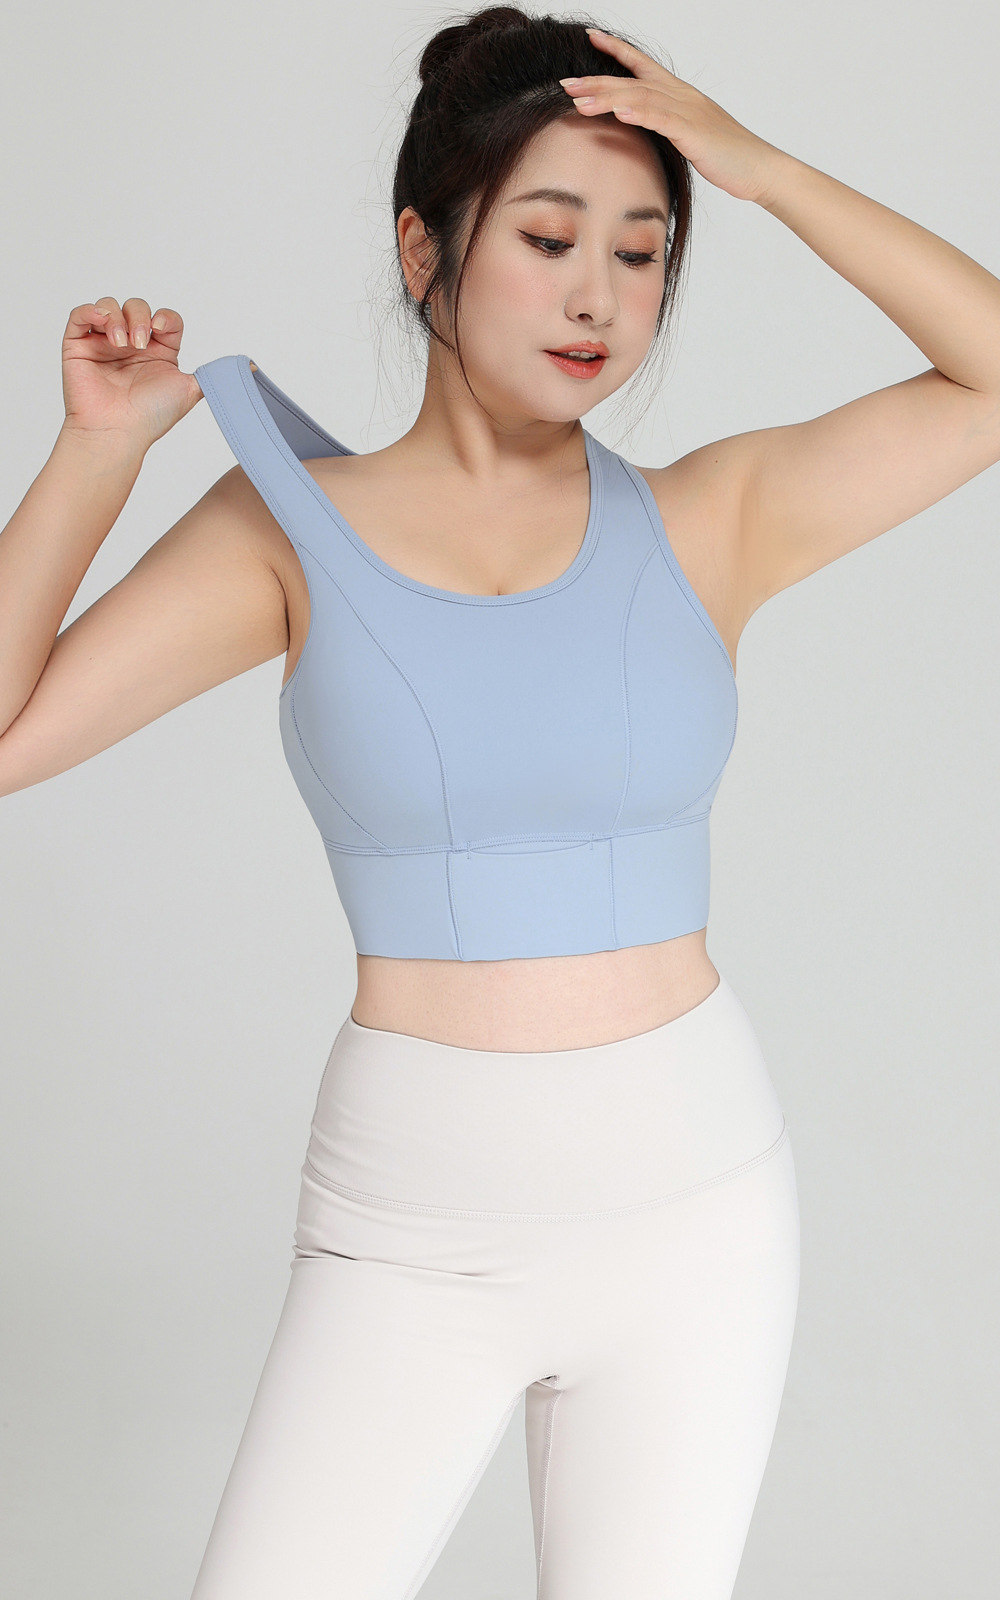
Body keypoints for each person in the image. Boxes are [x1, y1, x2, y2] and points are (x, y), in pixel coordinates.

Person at [2, 5, 998, 1597]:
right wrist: (97, 452)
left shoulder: (710, 519)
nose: (598, 293)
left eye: (643, 252)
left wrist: (759, 168)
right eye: (547, 238)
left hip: (699, 1207)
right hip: (413, 1225)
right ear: (426, 251)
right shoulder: (287, 530)